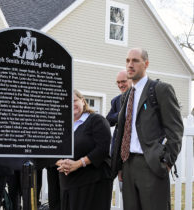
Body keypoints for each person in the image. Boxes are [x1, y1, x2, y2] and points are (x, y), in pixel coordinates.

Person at [111, 48, 184, 210]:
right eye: (128, 61)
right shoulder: (126, 96)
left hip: (151, 165)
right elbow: (123, 131)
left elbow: (175, 129)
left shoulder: (160, 90)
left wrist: (166, 161)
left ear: (146, 64)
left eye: (135, 61)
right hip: (128, 165)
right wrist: (121, 165)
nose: (130, 65)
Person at [56, 89, 112, 210]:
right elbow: (52, 150)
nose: (72, 105)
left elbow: (102, 148)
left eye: (74, 100)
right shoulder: (62, 125)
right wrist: (61, 162)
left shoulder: (96, 120)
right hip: (68, 182)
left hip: (93, 181)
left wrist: (78, 163)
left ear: (82, 100)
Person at [106, 70, 131, 155]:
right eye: (118, 82)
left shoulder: (140, 97)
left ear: (131, 80)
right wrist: (122, 114)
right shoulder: (116, 100)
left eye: (123, 81)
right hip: (118, 146)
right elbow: (109, 120)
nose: (120, 85)